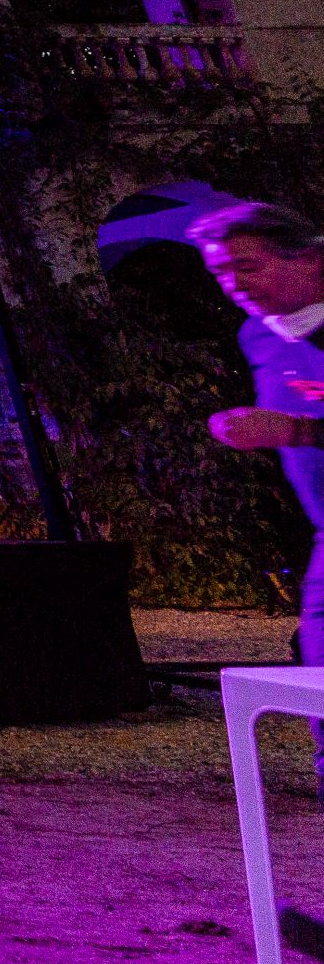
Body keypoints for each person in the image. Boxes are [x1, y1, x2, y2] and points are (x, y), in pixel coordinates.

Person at [196, 201, 324, 788]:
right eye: (222, 271)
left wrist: (293, 430)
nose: (233, 284)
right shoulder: (259, 336)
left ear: (311, 259)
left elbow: (297, 425)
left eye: (248, 266)